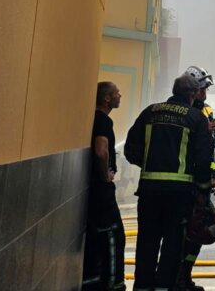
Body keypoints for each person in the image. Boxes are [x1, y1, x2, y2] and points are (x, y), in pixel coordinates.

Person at [124, 74, 214, 291]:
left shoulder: (150, 112)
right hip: (179, 195)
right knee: (173, 244)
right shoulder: (196, 118)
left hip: (149, 192)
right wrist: (202, 191)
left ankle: (143, 287)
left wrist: (149, 164)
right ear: (192, 94)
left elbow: (130, 150)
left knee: (147, 241)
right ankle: (165, 287)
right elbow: (203, 161)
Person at [177, 66, 215, 291]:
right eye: (202, 88)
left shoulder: (207, 111)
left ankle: (184, 276)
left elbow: (208, 150)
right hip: (187, 184)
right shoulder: (185, 113)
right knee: (187, 234)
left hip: (202, 182)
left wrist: (212, 176)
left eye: (205, 88)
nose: (205, 93)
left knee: (198, 232)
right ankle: (179, 279)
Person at [82, 81, 126, 290]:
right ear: (107, 98)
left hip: (93, 192)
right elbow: (101, 150)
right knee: (113, 236)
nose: (120, 96)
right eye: (117, 93)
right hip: (101, 192)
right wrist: (105, 176)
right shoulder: (102, 121)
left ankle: (94, 282)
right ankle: (114, 284)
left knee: (96, 240)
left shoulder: (94, 118)